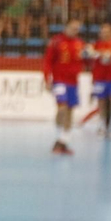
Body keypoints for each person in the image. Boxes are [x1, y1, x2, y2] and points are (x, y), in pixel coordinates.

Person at [43, 18, 86, 155]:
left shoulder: (80, 43)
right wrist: (47, 79)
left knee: (70, 112)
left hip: (73, 82)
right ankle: (58, 137)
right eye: (73, 28)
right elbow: (47, 61)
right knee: (62, 107)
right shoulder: (56, 41)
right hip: (59, 80)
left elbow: (85, 61)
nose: (75, 31)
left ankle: (63, 141)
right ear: (66, 27)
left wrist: (90, 56)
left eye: (77, 28)